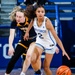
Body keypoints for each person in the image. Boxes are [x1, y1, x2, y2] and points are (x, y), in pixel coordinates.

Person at [20, 4, 70, 75]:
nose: (41, 13)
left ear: (44, 13)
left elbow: (56, 37)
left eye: (42, 12)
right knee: (32, 59)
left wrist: (63, 50)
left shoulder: (47, 22)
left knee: (46, 67)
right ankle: (38, 73)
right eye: (39, 11)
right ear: (35, 13)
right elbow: (31, 24)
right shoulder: (34, 19)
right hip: (40, 41)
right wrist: (27, 32)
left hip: (50, 44)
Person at [4, 6, 41, 75]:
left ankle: (37, 72)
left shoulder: (30, 19)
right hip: (24, 41)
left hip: (34, 41)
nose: (18, 18)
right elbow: (11, 35)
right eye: (17, 16)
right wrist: (10, 46)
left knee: (31, 59)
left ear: (25, 16)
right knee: (14, 58)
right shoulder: (15, 21)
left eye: (20, 17)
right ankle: (6, 74)